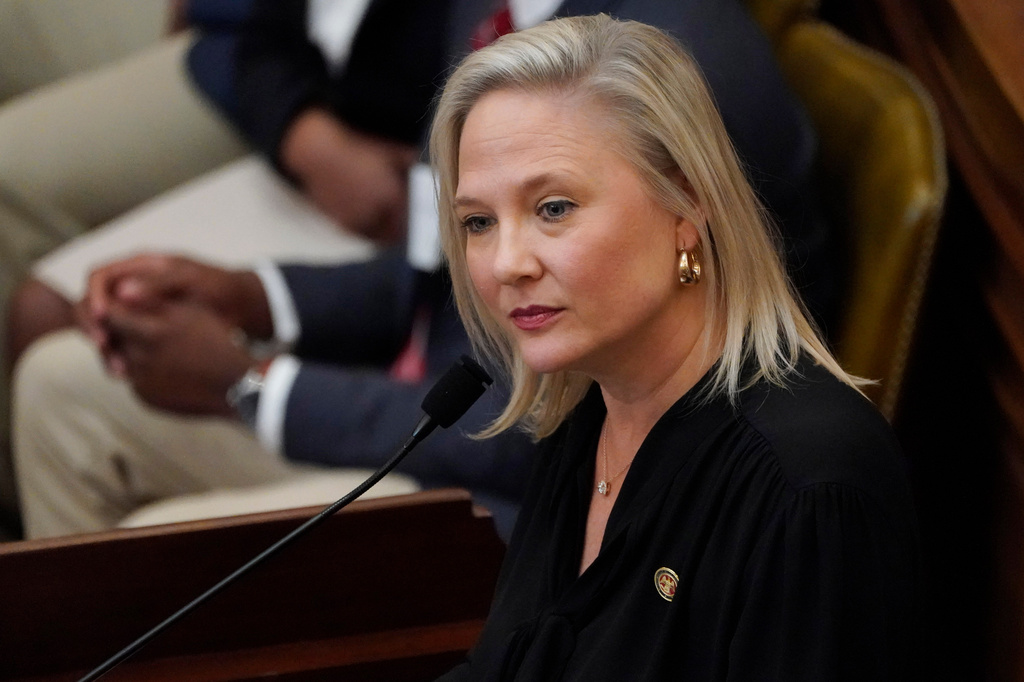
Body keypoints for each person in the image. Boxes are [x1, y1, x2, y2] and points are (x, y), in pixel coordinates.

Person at [10, 0, 833, 540]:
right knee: (59, 392)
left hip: (546, 523)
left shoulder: (678, 79)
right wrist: (253, 295)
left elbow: (568, 443)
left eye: (552, 211)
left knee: (145, 566)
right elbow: (448, 269)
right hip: (443, 410)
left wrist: (258, 385)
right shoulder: (498, 10)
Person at [429, 15, 920, 679]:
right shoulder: (588, 409)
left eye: (553, 208)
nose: (506, 262)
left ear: (686, 201)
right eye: (478, 222)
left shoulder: (807, 491)